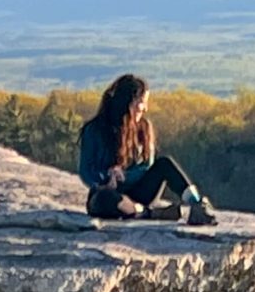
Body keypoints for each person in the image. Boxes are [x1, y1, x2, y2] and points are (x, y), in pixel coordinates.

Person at [78, 74, 218, 225]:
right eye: (142, 102)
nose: (145, 108)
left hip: (139, 191)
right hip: (109, 194)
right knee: (104, 199)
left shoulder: (143, 128)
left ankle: (197, 206)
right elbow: (86, 169)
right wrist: (106, 178)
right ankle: (149, 213)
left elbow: (147, 165)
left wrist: (124, 175)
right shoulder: (94, 130)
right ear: (129, 102)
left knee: (165, 163)